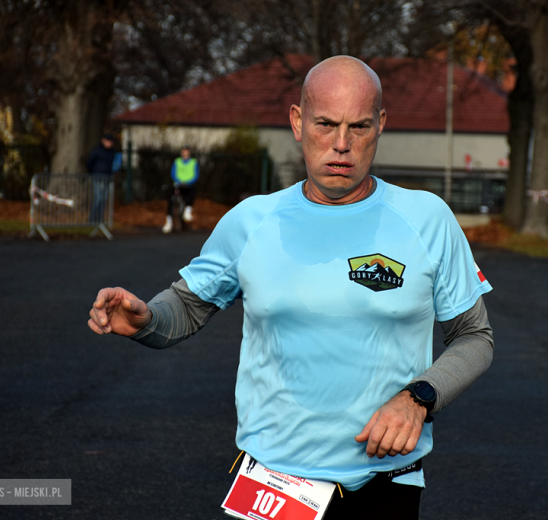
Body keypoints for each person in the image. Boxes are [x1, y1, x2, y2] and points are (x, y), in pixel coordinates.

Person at [87, 56, 494, 519]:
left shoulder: (427, 219)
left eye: (359, 127)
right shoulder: (250, 221)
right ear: (298, 123)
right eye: (325, 124)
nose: (342, 145)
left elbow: (475, 337)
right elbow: (184, 307)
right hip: (273, 488)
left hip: (386, 484)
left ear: (380, 125)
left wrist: (419, 398)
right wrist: (146, 319)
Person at [162, 146, 199, 233]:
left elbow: (196, 175)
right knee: (170, 199)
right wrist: (178, 181)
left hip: (188, 185)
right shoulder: (177, 161)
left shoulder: (194, 162)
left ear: (188, 152)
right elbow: (173, 173)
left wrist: (188, 182)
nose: (184, 153)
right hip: (178, 184)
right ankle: (169, 222)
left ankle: (187, 211)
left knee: (192, 193)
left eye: (186, 151)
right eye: (183, 151)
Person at [85, 133, 117, 224]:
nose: (109, 144)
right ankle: (92, 219)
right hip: (97, 177)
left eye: (111, 142)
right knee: (98, 198)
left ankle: (99, 219)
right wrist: (92, 173)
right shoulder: (97, 150)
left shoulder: (112, 152)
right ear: (103, 141)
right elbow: (89, 162)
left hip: (106, 178)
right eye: (108, 141)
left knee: (103, 199)